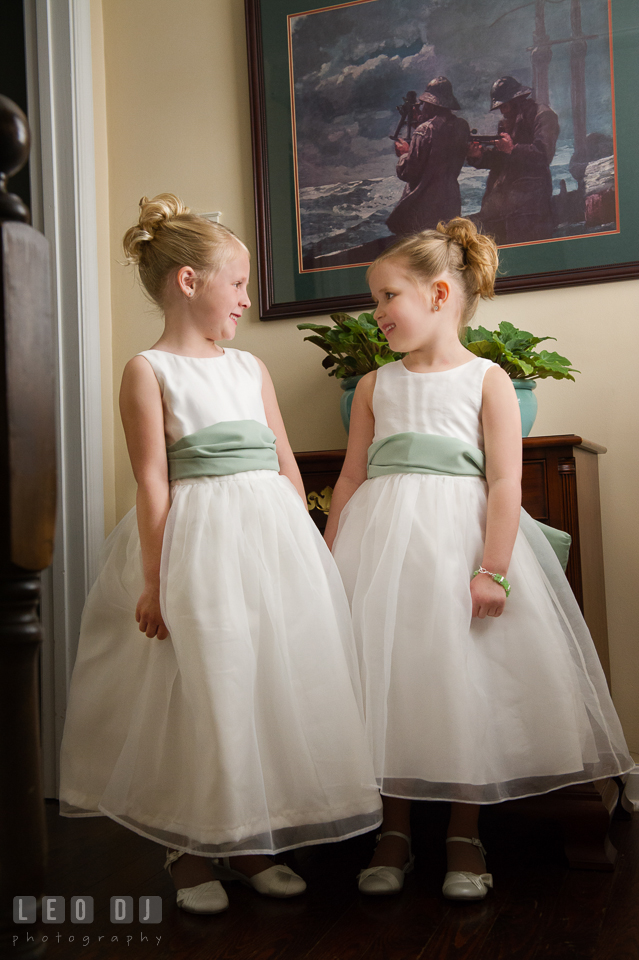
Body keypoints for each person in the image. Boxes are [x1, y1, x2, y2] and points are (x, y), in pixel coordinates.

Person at [59, 194, 382, 915]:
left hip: (267, 541)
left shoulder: (248, 369)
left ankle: (249, 839)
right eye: (235, 284)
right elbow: (151, 480)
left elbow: (283, 460)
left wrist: (301, 538)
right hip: (195, 546)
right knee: (204, 686)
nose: (243, 299)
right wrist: (156, 578)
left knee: (261, 681)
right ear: (188, 282)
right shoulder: (148, 371)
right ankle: (189, 847)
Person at [324, 217, 633, 901]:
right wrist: (330, 553)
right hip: (381, 551)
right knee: (390, 679)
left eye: (385, 298)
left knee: (461, 681)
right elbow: (350, 477)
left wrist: (491, 566)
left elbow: (503, 483)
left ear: (437, 294)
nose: (375, 314)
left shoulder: (487, 380)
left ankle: (465, 830)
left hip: (458, 544)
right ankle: (393, 830)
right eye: (374, 301)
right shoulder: (376, 386)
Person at [467, 76, 559, 244]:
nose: (503, 112)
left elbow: (544, 155)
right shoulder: (507, 123)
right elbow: (500, 160)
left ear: (517, 100)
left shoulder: (543, 115)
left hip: (530, 206)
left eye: (505, 106)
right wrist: (479, 157)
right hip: (503, 206)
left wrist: (512, 149)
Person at [386, 77, 470, 237]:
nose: (422, 106)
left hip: (424, 208)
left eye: (425, 103)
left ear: (432, 104)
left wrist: (404, 153)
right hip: (451, 203)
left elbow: (409, 173)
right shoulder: (461, 126)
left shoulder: (424, 131)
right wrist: (420, 122)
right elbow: (440, 136)